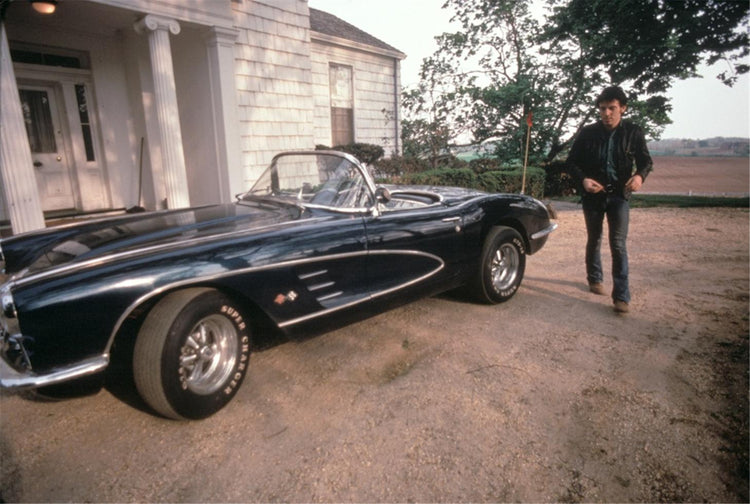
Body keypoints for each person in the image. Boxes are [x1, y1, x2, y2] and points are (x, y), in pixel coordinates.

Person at [567, 85, 653, 313]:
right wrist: (584, 179)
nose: (606, 113)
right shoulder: (587, 132)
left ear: (623, 108)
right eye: (602, 108)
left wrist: (639, 176)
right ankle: (595, 279)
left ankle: (621, 296)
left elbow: (646, 162)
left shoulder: (633, 132)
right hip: (593, 195)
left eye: (612, 108)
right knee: (594, 238)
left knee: (618, 244)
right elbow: (571, 162)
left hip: (619, 196)